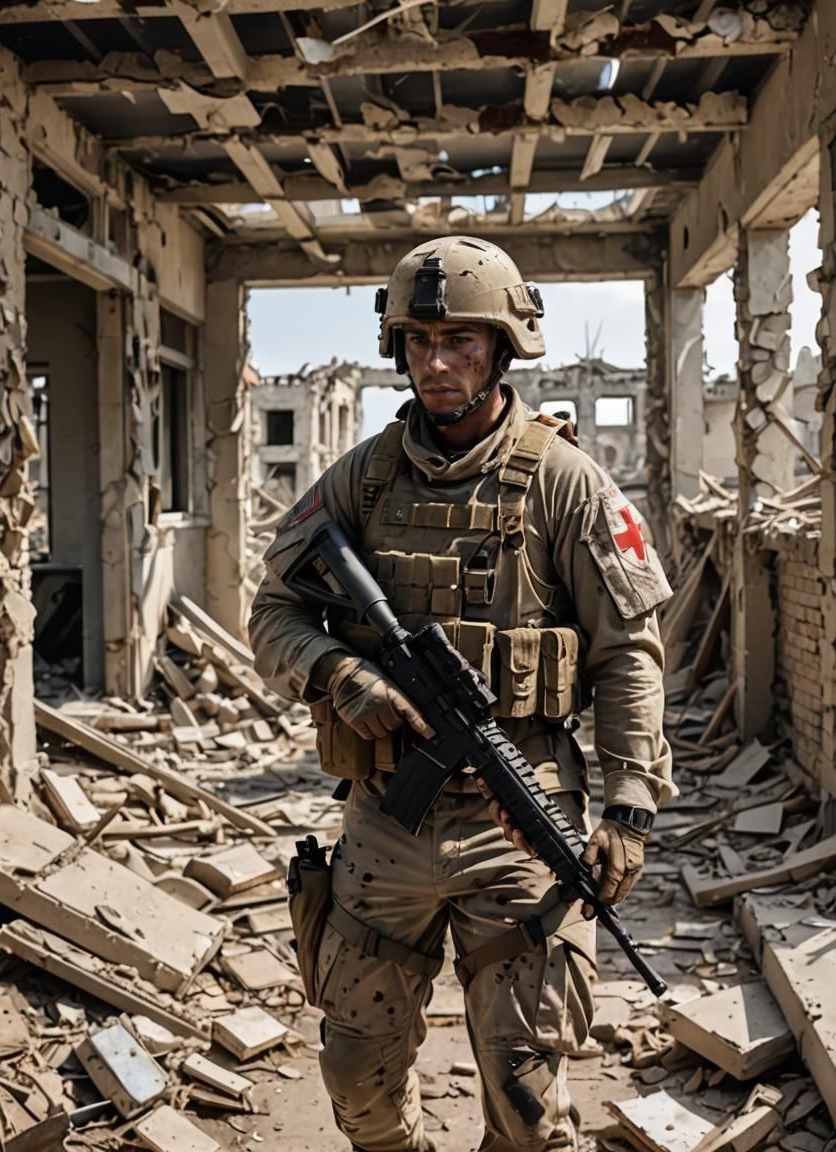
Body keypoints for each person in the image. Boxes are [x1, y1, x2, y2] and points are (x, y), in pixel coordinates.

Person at [249, 236, 676, 1152]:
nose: (437, 362)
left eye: (463, 342)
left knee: (528, 1103)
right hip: (385, 820)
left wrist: (630, 806)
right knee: (355, 1077)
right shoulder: (360, 478)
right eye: (419, 340)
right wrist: (340, 674)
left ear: (504, 347)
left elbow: (630, 653)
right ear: (396, 348)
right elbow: (274, 609)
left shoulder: (565, 482)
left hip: (519, 822)